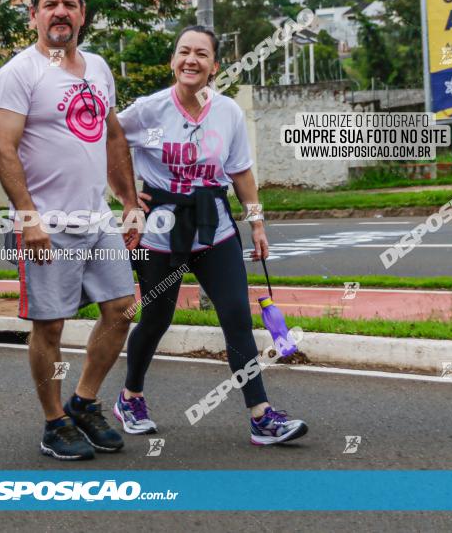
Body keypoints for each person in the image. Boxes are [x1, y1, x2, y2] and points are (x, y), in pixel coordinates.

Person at [113, 25, 308, 445]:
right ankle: (130, 397)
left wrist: (256, 222)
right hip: (160, 232)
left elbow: (240, 172)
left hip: (214, 228)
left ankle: (261, 415)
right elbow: (108, 139)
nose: (191, 60)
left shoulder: (227, 113)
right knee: (157, 318)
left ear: (214, 66)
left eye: (201, 54)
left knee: (236, 314)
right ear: (173, 61)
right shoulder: (148, 112)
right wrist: (127, 199)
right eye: (184, 52)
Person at [0, 0, 145, 461]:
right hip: (47, 225)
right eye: (50, 4)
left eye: (70, 4)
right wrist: (29, 217)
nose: (61, 12)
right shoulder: (18, 73)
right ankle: (54, 422)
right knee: (50, 327)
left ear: (82, 13)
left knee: (123, 309)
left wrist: (131, 202)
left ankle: (84, 401)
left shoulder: (98, 68)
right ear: (34, 13)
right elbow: (2, 150)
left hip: (97, 218)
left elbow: (113, 138)